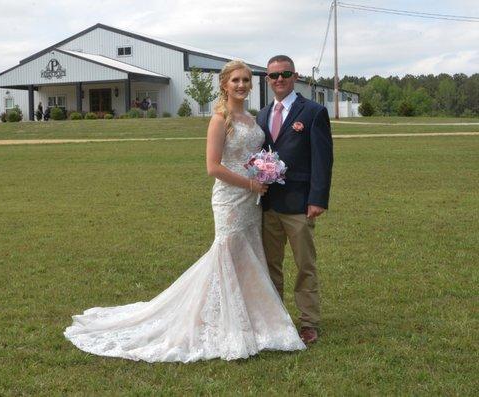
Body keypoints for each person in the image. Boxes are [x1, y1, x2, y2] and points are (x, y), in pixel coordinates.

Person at [64, 60, 306, 363]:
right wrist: (250, 183)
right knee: (226, 255)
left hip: (252, 202)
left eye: (246, 80)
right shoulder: (221, 119)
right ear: (224, 85)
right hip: (230, 199)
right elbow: (212, 167)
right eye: (236, 81)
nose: (242, 85)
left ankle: (247, 319)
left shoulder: (251, 117)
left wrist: (264, 173)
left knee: (248, 258)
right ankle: (217, 321)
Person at [256, 55, 333, 345]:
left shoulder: (313, 112)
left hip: (300, 205)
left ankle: (308, 321)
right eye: (273, 75)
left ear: (295, 75)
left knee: (305, 266)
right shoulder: (262, 115)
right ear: (267, 79)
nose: (279, 79)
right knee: (270, 266)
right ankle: (275, 319)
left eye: (284, 74)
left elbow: (322, 160)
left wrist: (318, 199)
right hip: (268, 205)